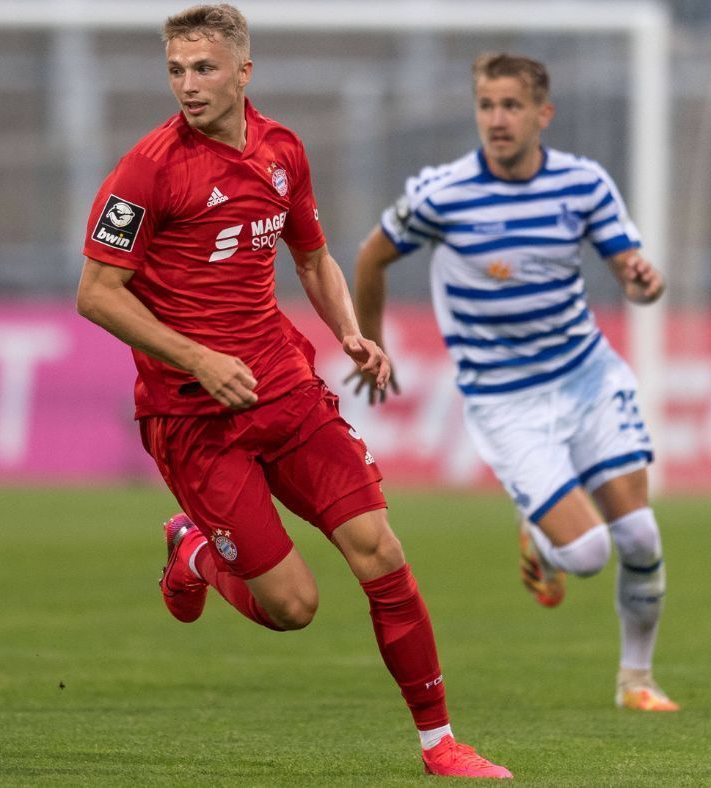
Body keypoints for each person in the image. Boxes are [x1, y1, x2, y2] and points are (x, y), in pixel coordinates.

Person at [75, 4, 510, 779]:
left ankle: (440, 745)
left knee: (380, 550)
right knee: (294, 608)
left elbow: (312, 258)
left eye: (204, 68)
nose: (187, 85)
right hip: (194, 417)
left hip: (284, 391)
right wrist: (196, 358)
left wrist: (349, 332)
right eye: (175, 70)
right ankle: (196, 553)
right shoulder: (147, 168)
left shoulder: (283, 151)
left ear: (244, 72)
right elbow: (99, 294)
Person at [350, 53, 678, 712]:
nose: (496, 120)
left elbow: (632, 274)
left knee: (641, 538)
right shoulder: (443, 193)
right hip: (504, 400)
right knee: (586, 555)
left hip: (585, 375)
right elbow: (371, 255)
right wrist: (372, 343)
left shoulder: (583, 184)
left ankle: (635, 681)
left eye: (510, 106)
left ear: (541, 114)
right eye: (486, 106)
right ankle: (543, 529)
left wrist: (646, 282)